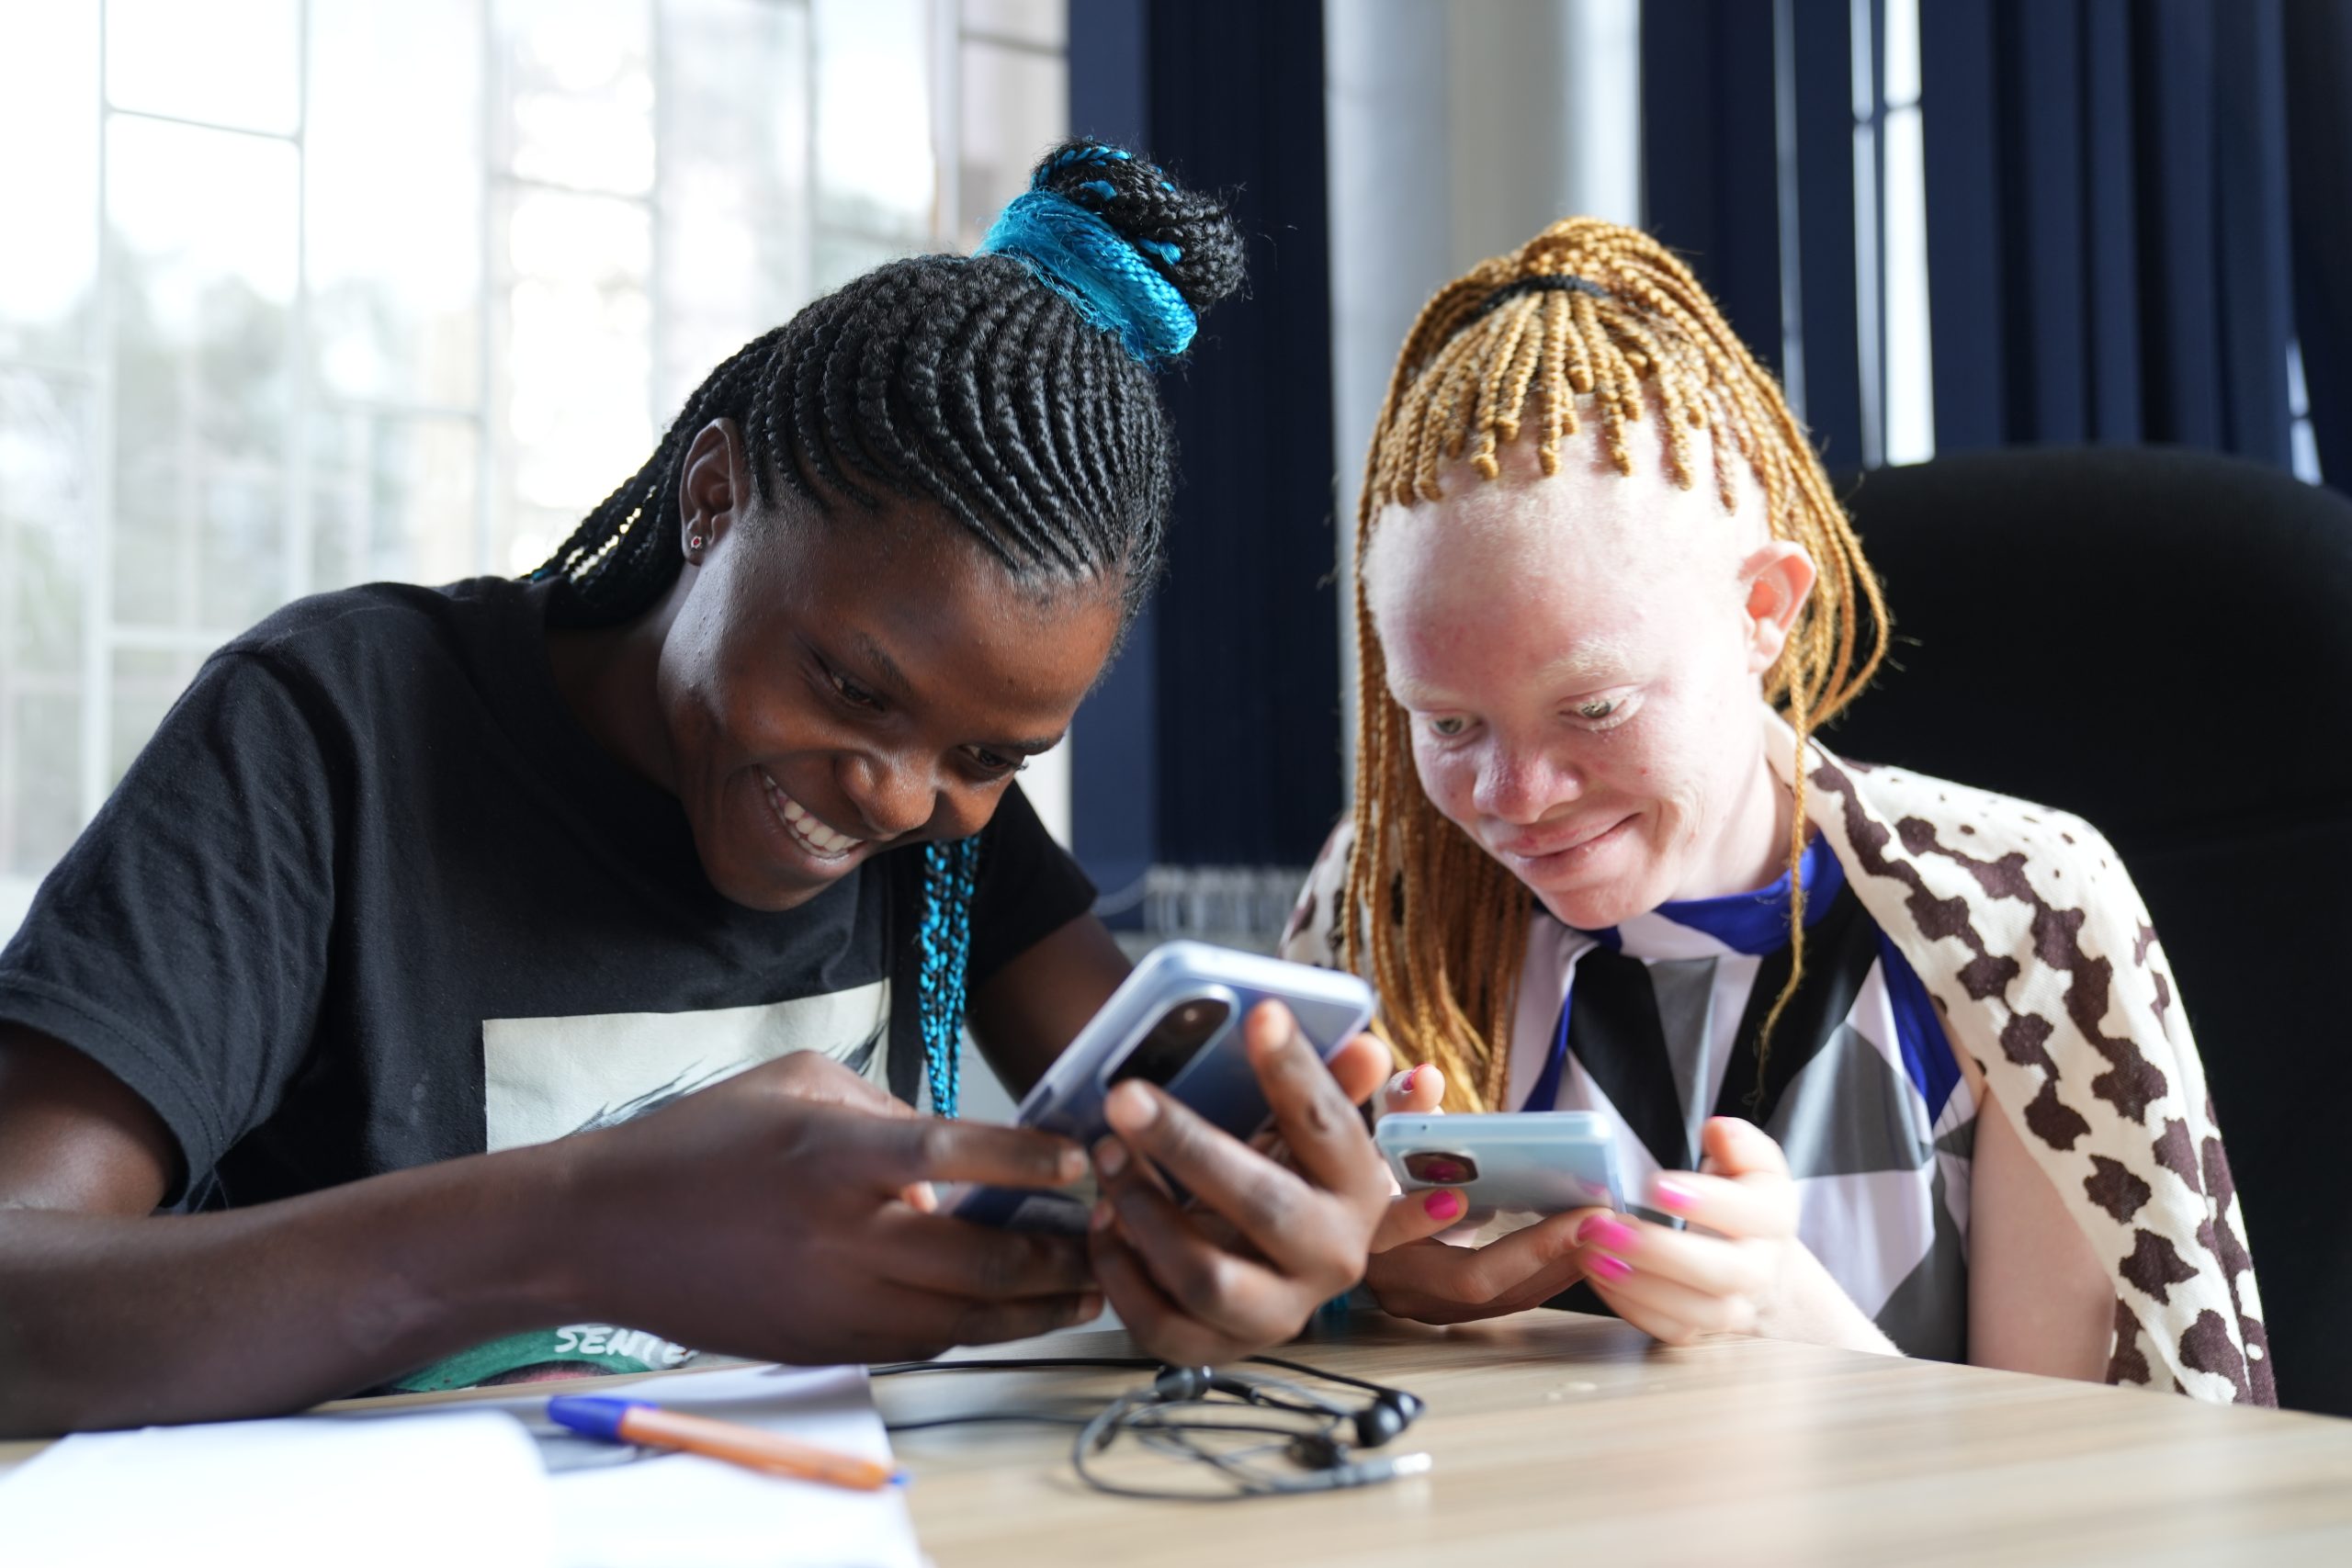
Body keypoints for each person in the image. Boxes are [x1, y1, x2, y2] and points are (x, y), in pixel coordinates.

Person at [0, 141, 1397, 1438]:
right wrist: (578, 1223)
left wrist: (1252, 1256)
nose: (901, 800)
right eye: (852, 689)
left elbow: (1189, 1174)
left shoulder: (936, 811)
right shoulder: (332, 734)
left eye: (990, 758)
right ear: (714, 502)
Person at [1286, 219, 2274, 1404]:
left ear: (1764, 610)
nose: (1511, 800)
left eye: (1592, 707)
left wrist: (1787, 1321)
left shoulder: (2023, 917)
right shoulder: (1381, 895)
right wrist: (1356, 1302)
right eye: (1446, 724)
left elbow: (2091, 1487)